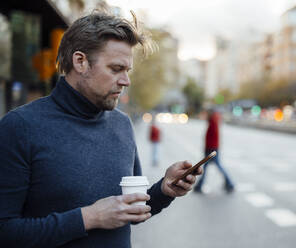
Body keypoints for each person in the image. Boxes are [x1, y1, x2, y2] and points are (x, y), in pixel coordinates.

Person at [0, 12, 202, 248]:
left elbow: (128, 209)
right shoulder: (20, 127)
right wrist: (90, 218)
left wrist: (164, 190)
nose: (126, 80)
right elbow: (5, 232)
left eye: (127, 70)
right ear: (80, 62)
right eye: (116, 69)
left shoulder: (122, 124)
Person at [194, 109, 235, 193]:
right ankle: (229, 183)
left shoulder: (213, 121)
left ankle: (229, 183)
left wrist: (208, 148)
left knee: (208, 167)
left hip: (211, 149)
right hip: (213, 148)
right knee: (211, 167)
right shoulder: (214, 120)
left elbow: (212, 136)